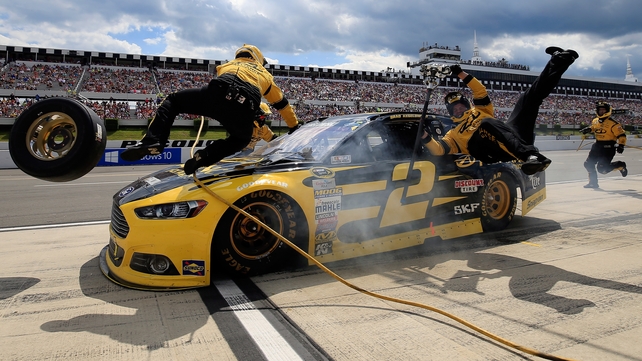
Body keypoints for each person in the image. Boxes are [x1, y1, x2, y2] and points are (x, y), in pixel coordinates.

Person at [121, 44, 300, 174]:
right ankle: (204, 157)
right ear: (258, 59)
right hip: (247, 104)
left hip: (219, 91)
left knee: (173, 101)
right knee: (240, 140)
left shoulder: (228, 65)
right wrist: (294, 127)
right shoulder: (265, 74)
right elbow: (282, 105)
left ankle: (153, 141)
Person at [421, 46, 579, 175]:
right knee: (486, 124)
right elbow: (439, 150)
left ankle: (559, 61)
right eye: (454, 108)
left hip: (511, 135)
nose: (458, 109)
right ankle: (530, 156)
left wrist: (461, 74)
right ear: (450, 112)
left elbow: (480, 91)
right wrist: (425, 136)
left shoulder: (481, 109)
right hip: (489, 151)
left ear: (467, 104)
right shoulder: (453, 135)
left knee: (528, 99)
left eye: (461, 105)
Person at [579, 101, 627, 188]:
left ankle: (620, 165)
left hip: (608, 147)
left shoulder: (614, 124)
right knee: (588, 164)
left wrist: (621, 145)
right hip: (597, 146)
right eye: (600, 110)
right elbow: (594, 127)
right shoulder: (595, 121)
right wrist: (588, 129)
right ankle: (593, 183)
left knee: (603, 169)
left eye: (603, 110)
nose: (601, 112)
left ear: (608, 111)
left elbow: (622, 135)